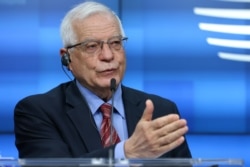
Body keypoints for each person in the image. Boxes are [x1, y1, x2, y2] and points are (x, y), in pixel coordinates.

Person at [14, 1, 191, 159]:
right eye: (91, 46)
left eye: (115, 43)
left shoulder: (161, 111)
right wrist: (126, 152)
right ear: (68, 58)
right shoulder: (38, 112)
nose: (108, 55)